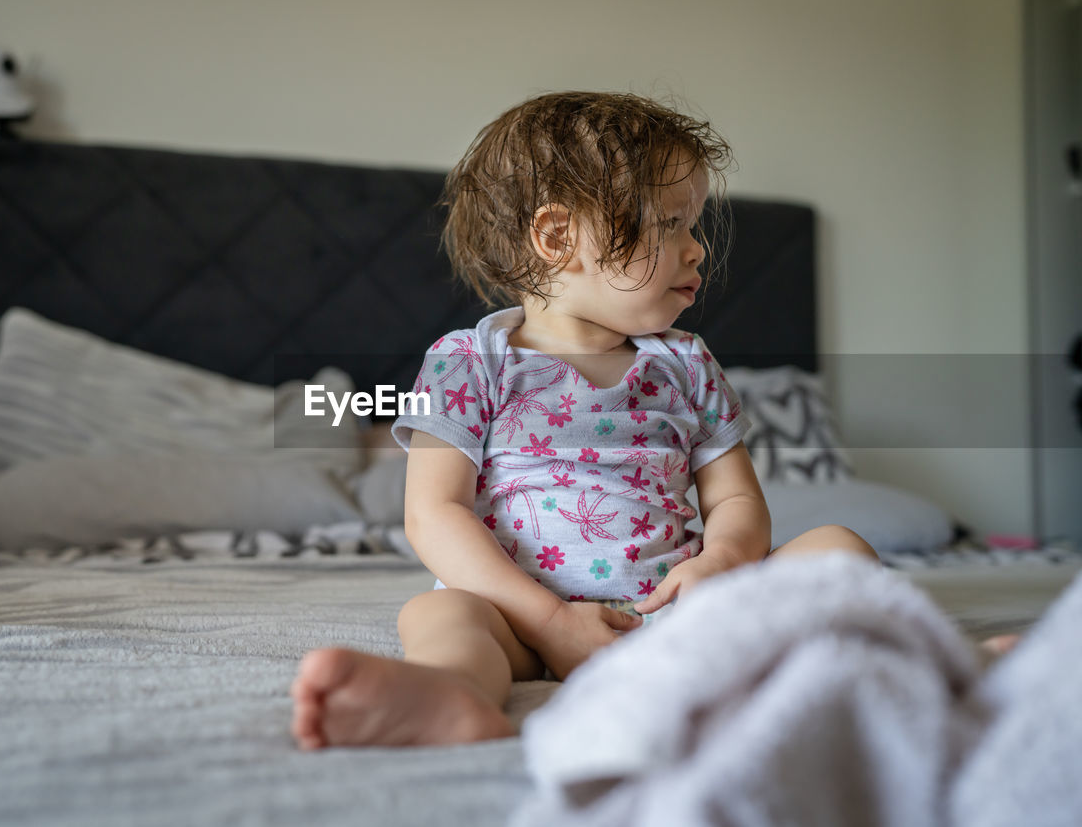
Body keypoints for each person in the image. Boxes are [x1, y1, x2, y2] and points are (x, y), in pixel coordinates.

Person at [290, 91, 879, 750]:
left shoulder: (686, 363)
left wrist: (724, 560)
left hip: (679, 612)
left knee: (839, 549)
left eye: (697, 224)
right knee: (441, 611)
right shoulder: (470, 361)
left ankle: (901, 665)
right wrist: (550, 622)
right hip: (520, 615)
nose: (698, 250)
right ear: (558, 237)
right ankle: (450, 690)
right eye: (674, 223)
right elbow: (434, 514)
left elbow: (737, 495)